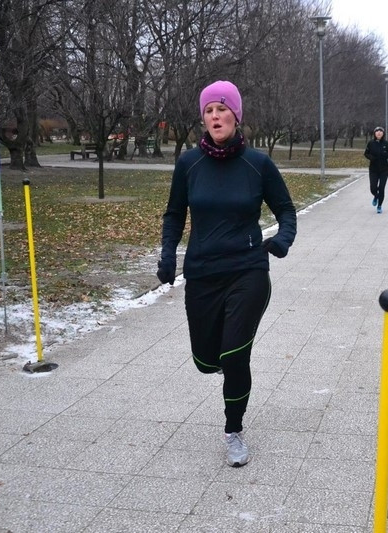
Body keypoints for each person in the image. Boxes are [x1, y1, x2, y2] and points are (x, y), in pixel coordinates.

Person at [157, 80, 297, 466]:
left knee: (234, 354)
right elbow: (174, 214)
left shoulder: (258, 164)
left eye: (222, 109)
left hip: (247, 269)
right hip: (202, 272)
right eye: (208, 110)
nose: (215, 116)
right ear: (203, 119)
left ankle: (233, 429)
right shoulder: (189, 164)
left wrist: (282, 240)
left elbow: (286, 211)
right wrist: (168, 255)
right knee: (207, 359)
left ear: (236, 115)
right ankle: (224, 370)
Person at [363, 126, 388, 214]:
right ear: (374, 133)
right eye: (377, 131)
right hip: (373, 169)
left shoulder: (386, 143)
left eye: (380, 131)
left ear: (383, 133)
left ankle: (379, 205)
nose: (379, 133)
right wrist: (371, 158)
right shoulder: (371, 143)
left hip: (384, 169)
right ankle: (376, 196)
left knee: (381, 188)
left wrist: (385, 154)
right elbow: (366, 153)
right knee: (373, 188)